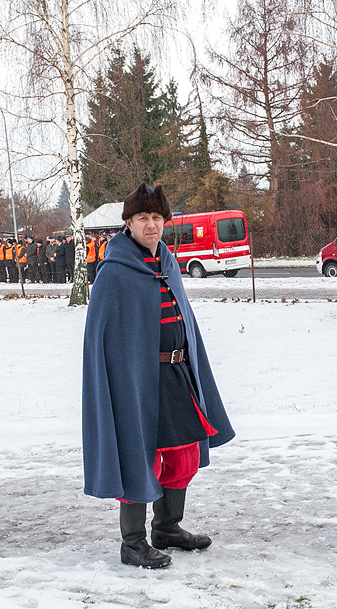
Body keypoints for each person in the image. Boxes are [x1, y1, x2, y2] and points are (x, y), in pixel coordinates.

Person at [83, 183, 234, 569]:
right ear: (129, 223)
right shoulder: (115, 272)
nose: (151, 226)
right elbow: (103, 338)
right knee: (140, 457)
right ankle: (132, 543)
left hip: (177, 374)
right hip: (136, 383)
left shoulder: (167, 261)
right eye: (142, 219)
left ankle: (167, 527)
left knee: (183, 454)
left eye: (156, 218)